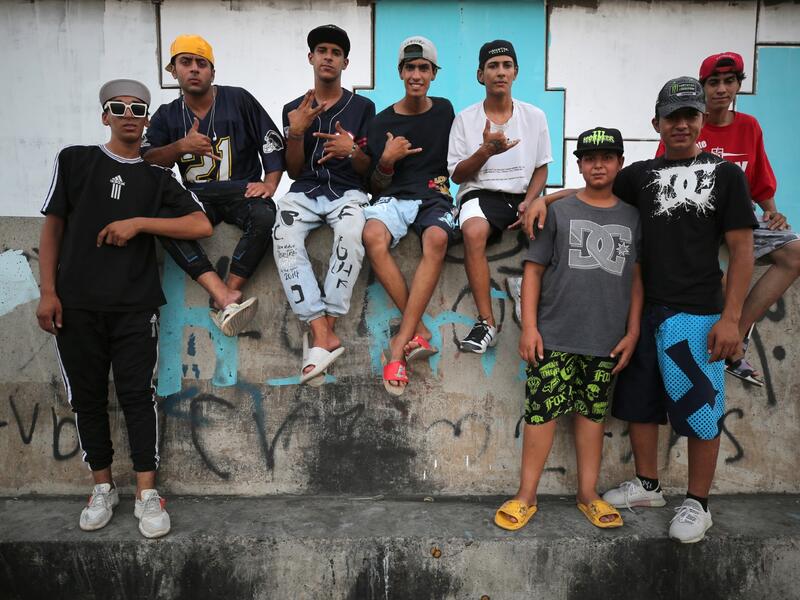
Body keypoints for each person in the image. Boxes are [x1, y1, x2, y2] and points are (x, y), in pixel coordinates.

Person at [525, 77, 756, 543]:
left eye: (690, 115)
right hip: (643, 311)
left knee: (700, 409)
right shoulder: (640, 176)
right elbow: (593, 188)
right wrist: (542, 199)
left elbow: (743, 249)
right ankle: (648, 485)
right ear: (656, 123)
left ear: (701, 120)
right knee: (640, 404)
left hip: (697, 312)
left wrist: (733, 318)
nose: (682, 124)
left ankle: (698, 503)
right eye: (672, 117)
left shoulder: (726, 176)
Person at [37, 79, 213, 538]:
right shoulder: (76, 160)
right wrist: (47, 292)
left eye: (139, 108)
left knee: (138, 397)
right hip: (75, 305)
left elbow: (200, 222)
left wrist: (138, 223)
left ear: (147, 118)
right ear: (105, 115)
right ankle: (102, 486)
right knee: (87, 397)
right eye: (119, 107)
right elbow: (53, 228)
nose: (129, 114)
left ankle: (147, 494)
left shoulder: (156, 178)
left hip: (136, 306)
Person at [495, 127, 641, 531]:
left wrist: (632, 332)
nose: (599, 164)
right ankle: (526, 496)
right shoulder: (558, 212)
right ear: (578, 164)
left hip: (606, 341)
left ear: (619, 163)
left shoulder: (633, 217)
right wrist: (529, 327)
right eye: (590, 158)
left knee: (592, 419)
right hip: (554, 336)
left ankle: (588, 494)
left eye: (607, 157)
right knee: (541, 417)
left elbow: (637, 279)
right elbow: (533, 269)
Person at [656, 52, 800, 385]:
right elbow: (661, 175)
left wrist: (773, 210)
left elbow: (760, 179)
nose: (722, 89)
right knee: (719, 273)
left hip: (741, 219)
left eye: (729, 81)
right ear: (703, 87)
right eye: (714, 82)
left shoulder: (749, 127)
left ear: (738, 86)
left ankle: (736, 338)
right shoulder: (685, 125)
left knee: (794, 253)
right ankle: (727, 346)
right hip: (697, 222)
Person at [143, 34, 285, 336]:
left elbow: (270, 141)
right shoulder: (168, 115)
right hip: (197, 196)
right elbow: (148, 159)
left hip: (241, 189)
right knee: (165, 221)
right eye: (186, 62)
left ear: (212, 72)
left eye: (201, 63)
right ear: (173, 71)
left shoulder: (239, 99)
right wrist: (181, 145)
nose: (194, 69)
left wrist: (270, 184)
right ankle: (220, 293)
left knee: (264, 216)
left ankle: (229, 295)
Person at [274, 24, 375, 385]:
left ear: (345, 62)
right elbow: (293, 169)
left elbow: (369, 169)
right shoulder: (293, 108)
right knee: (281, 230)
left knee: (352, 230)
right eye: (322, 51)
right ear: (311, 58)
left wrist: (354, 151)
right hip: (305, 191)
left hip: (347, 192)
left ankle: (322, 333)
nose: (328, 57)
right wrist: (296, 131)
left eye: (335, 52)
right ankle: (322, 330)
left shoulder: (362, 107)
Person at [361, 36, 457, 396]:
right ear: (400, 72)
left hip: (435, 197)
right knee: (372, 236)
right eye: (410, 68)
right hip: (396, 198)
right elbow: (374, 182)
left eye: (424, 68)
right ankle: (421, 331)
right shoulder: (381, 121)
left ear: (433, 74)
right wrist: (387, 159)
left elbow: (457, 161)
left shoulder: (445, 110)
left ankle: (400, 342)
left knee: (437, 238)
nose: (416, 74)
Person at [448, 40, 552, 353]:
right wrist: (485, 152)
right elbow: (457, 175)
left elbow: (541, 169)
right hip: (481, 194)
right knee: (473, 231)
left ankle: (528, 291)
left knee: (561, 225)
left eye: (507, 65)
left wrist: (532, 200)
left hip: (522, 195)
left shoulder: (534, 116)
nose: (500, 72)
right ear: (481, 75)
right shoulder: (466, 119)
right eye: (493, 66)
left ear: (516, 72)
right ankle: (486, 323)